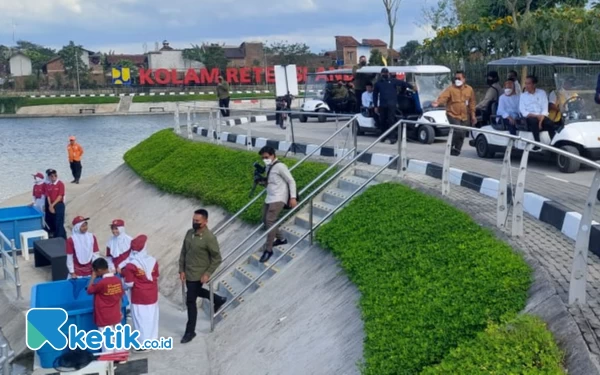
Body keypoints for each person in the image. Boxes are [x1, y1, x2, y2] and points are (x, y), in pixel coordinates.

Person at [179, 209, 227, 344]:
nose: (194, 223)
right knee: (193, 293)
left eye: (197, 221)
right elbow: (184, 251)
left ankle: (190, 331)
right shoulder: (189, 233)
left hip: (199, 273)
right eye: (193, 220)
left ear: (205, 222)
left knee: (190, 300)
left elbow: (217, 258)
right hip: (188, 271)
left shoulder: (209, 238)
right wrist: (181, 269)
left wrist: (207, 273)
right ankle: (218, 299)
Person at [257, 146, 297, 263]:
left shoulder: (280, 166)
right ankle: (281, 239)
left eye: (267, 157)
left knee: (270, 220)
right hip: (269, 197)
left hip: (279, 198)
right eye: (263, 158)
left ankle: (268, 250)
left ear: (273, 155)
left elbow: (291, 180)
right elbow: (270, 183)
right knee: (265, 219)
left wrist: (293, 198)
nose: (265, 159)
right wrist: (260, 181)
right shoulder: (268, 167)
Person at [122, 235, 159, 347]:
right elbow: (156, 276)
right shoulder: (153, 261)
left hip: (138, 296)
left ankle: (143, 343)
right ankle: (153, 340)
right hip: (152, 295)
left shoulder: (131, 265)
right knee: (151, 318)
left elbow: (129, 283)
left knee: (140, 320)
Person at [433, 71, 477, 156]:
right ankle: (449, 146)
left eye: (459, 78)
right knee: (458, 131)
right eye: (455, 78)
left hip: (464, 116)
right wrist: (438, 102)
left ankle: (456, 151)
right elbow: (443, 97)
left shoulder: (469, 89)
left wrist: (473, 115)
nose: (457, 80)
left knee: (462, 134)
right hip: (452, 114)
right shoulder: (451, 89)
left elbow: (472, 103)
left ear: (464, 79)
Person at [87, 257, 124, 353]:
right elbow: (120, 297)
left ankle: (109, 361)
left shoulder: (101, 283)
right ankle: (121, 357)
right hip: (115, 313)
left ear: (99, 270)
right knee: (117, 338)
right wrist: (119, 311)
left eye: (95, 271)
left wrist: (93, 277)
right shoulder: (117, 280)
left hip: (104, 316)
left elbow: (89, 290)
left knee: (107, 341)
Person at [373, 67, 414, 144]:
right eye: (383, 73)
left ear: (388, 73)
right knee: (382, 121)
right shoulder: (378, 83)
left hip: (392, 104)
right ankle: (383, 136)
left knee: (391, 120)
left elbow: (403, 83)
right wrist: (375, 106)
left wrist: (412, 87)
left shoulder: (393, 81)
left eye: (386, 73)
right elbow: (375, 95)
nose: (385, 74)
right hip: (382, 105)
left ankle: (392, 138)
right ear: (381, 74)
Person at [519, 75, 556, 149]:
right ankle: (537, 143)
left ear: (534, 84)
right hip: (529, 116)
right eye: (525, 83)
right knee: (533, 121)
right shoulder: (523, 96)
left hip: (541, 116)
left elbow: (545, 108)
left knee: (550, 123)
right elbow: (523, 111)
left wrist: (540, 120)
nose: (526, 86)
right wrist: (536, 117)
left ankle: (554, 143)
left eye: (528, 83)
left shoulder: (542, 93)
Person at [45, 169, 67, 239]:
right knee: (52, 221)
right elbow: (48, 196)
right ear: (49, 177)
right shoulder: (48, 185)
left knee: (59, 222)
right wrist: (50, 205)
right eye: (51, 176)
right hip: (51, 204)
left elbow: (60, 196)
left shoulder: (60, 184)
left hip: (58, 204)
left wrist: (52, 205)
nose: (53, 177)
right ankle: (55, 236)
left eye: (55, 175)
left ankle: (60, 238)